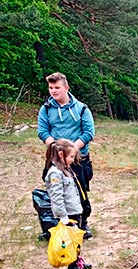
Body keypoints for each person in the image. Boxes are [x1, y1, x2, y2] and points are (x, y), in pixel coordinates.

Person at [38, 72, 95, 239]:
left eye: (57, 87)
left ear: (66, 88)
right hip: (56, 158)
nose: (53, 91)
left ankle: (82, 224)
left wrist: (71, 150)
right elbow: (42, 131)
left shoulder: (82, 108)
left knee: (80, 191)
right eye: (51, 88)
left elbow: (88, 133)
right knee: (55, 190)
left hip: (78, 157)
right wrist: (56, 149)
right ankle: (55, 225)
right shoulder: (46, 109)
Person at [44, 139, 93, 269]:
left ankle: (77, 262)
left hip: (75, 211)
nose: (73, 160)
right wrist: (63, 217)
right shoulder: (55, 173)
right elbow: (56, 197)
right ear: (61, 154)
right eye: (71, 157)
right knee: (71, 241)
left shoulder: (65, 170)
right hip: (68, 215)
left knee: (76, 239)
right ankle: (73, 268)